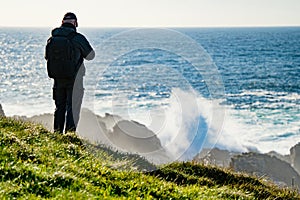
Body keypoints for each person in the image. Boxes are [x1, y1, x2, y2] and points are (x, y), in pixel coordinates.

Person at [45, 12, 95, 133]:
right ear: (75, 23)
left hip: (58, 79)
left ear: (62, 23)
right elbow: (91, 56)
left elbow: (47, 57)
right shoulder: (78, 38)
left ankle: (57, 134)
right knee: (73, 108)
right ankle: (70, 136)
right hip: (75, 79)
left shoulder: (52, 39)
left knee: (59, 107)